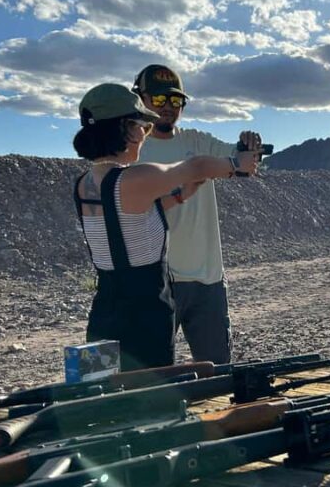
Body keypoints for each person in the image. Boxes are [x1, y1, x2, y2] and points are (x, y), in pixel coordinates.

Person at [72, 83, 258, 371]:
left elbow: (126, 218)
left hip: (104, 310)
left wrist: (182, 195)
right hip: (145, 315)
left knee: (98, 397)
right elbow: (195, 166)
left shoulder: (85, 183)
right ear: (128, 129)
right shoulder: (136, 178)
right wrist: (236, 163)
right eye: (143, 127)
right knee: (151, 405)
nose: (145, 134)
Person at [133, 64, 262, 364]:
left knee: (217, 372)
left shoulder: (197, 142)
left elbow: (242, 162)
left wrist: (248, 147)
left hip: (208, 280)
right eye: (159, 99)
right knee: (151, 375)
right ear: (141, 98)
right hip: (155, 281)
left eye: (175, 101)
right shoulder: (132, 150)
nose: (168, 107)